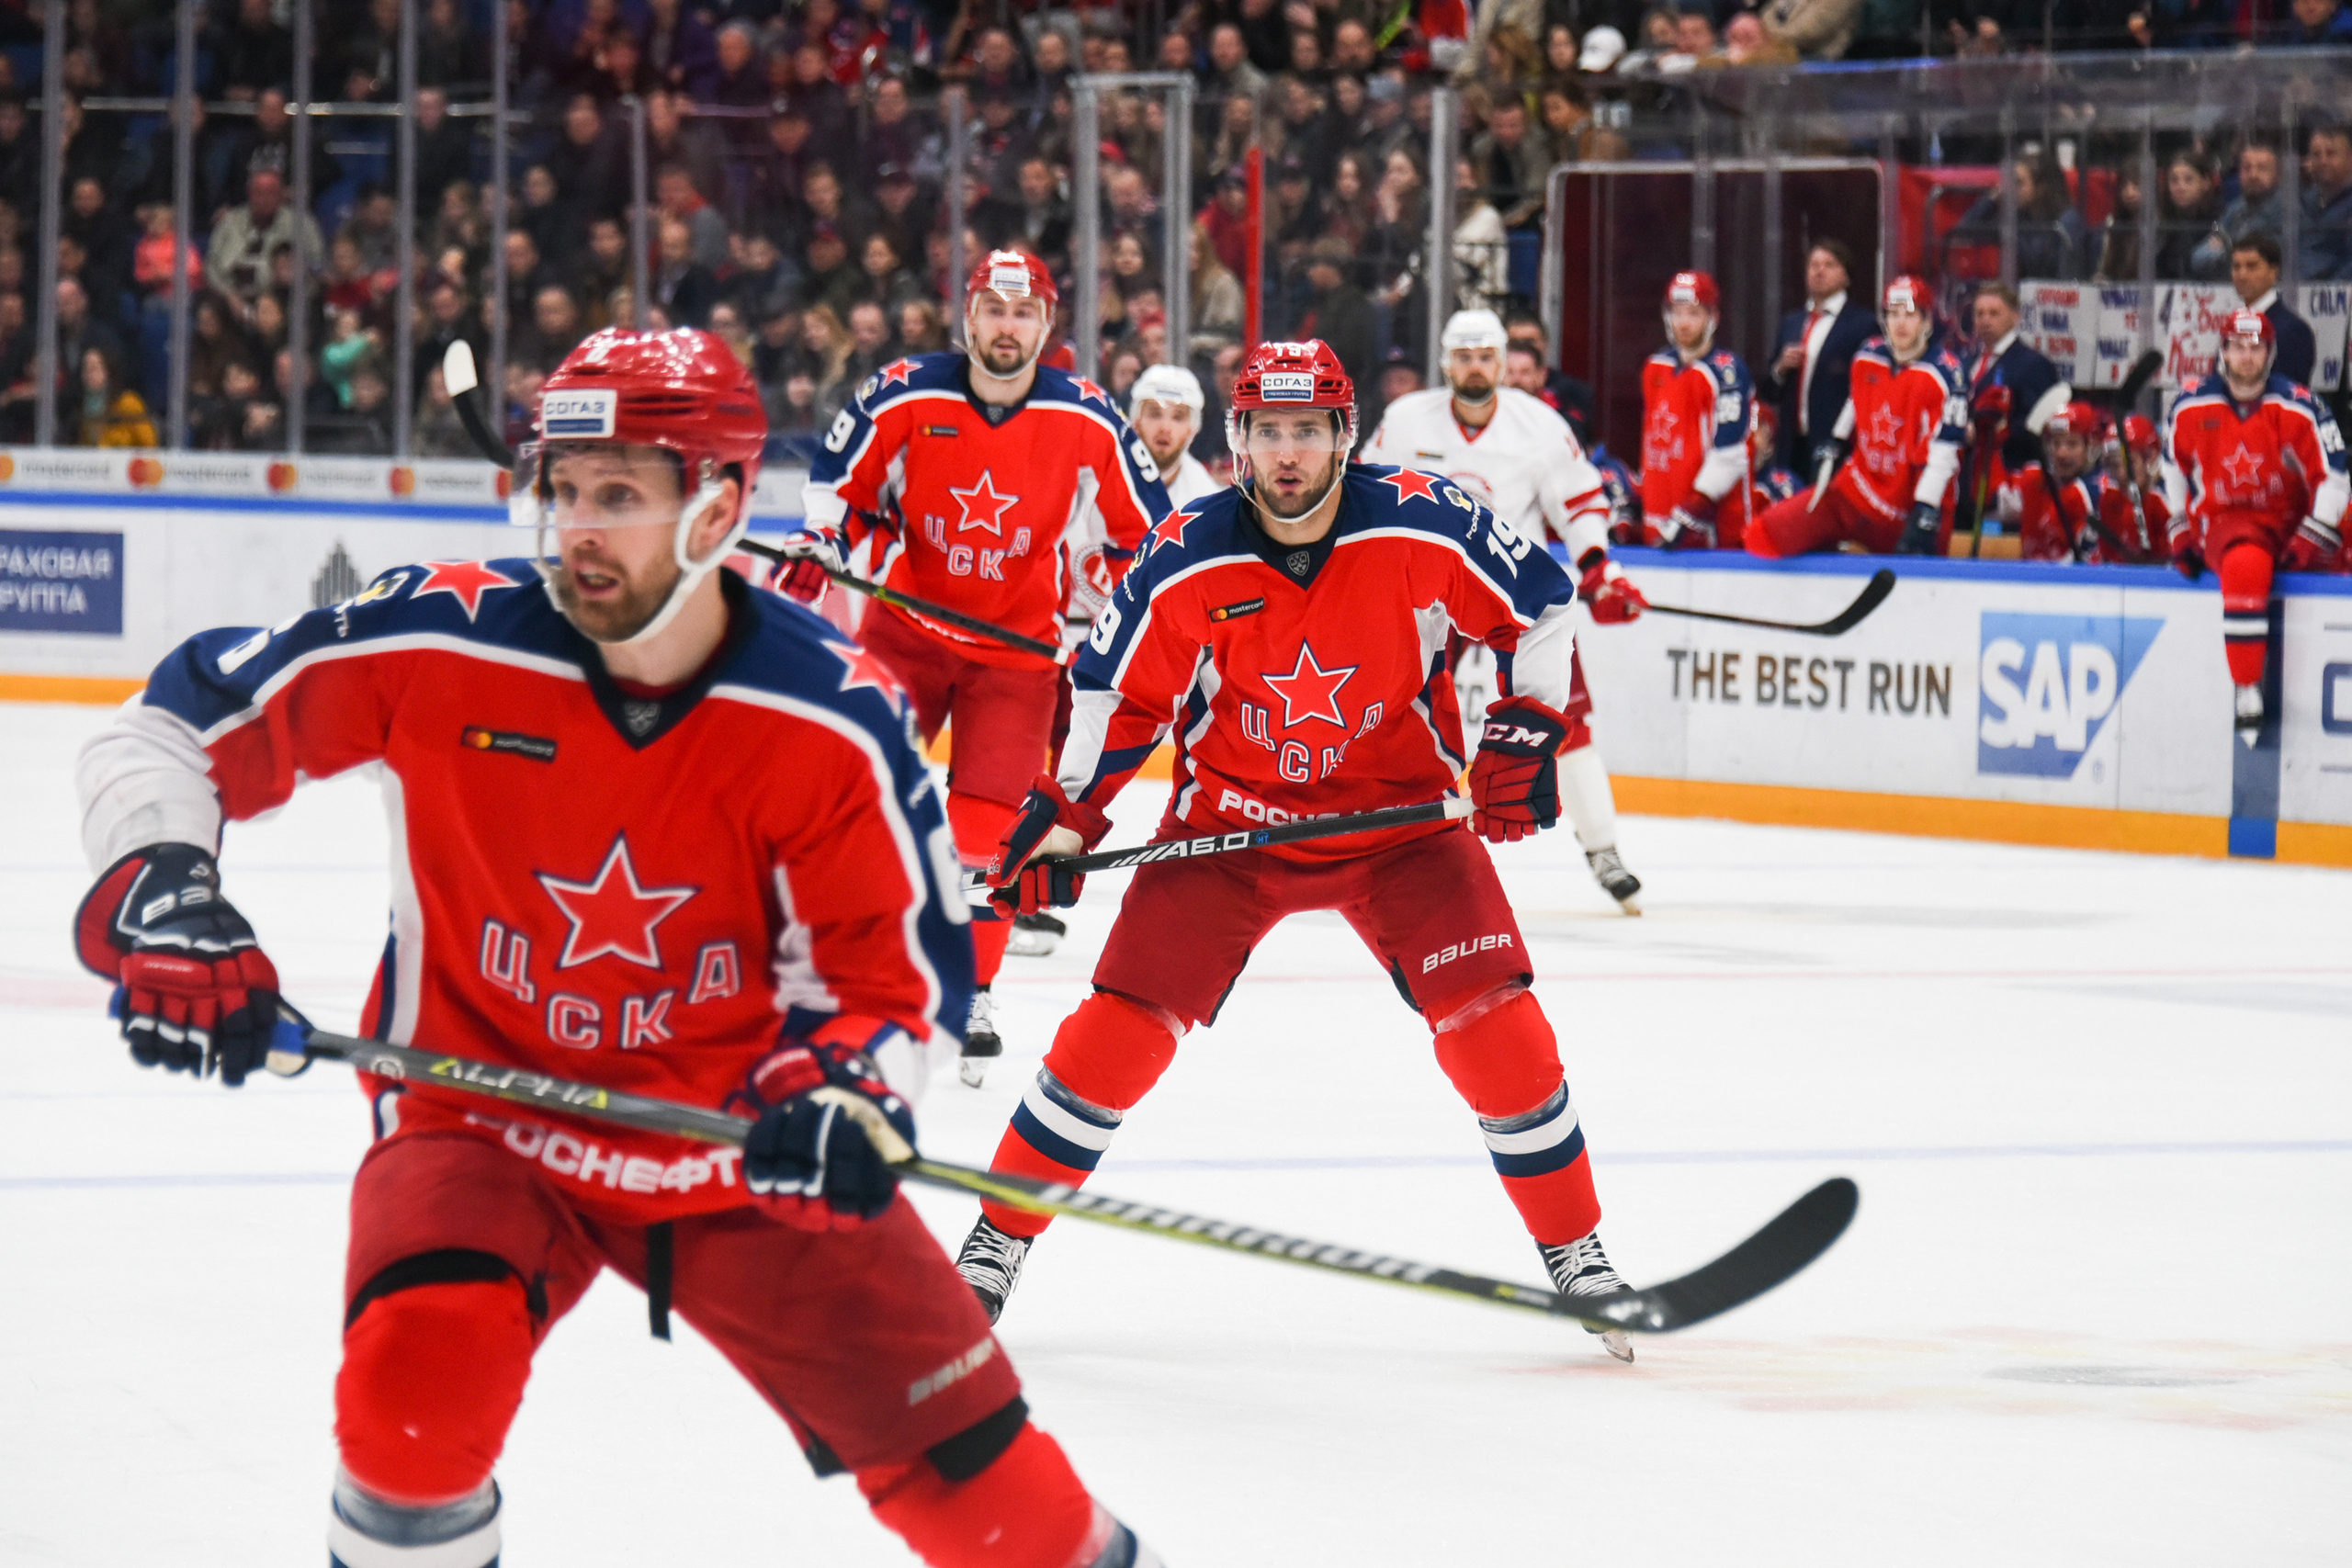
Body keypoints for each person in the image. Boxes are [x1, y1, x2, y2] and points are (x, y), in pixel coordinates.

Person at [70, 326, 1160, 1568]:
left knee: (1001, 1510)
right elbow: (169, 727)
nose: (580, 527)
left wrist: (849, 1090)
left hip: (744, 1146)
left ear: (722, 505)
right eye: (567, 490)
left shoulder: (835, 712)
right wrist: (164, 890)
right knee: (408, 1418)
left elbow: (900, 977)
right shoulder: (444, 635)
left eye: (621, 496)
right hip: (482, 1123)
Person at [956, 339, 1640, 1363]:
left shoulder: (1421, 518)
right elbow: (1115, 699)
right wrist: (1062, 827)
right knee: (1113, 1036)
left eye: (1306, 432)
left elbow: (1542, 603)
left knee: (1499, 1028)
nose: (1286, 455)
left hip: (1399, 823)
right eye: (1267, 432)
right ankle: (989, 1250)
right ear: (1239, 439)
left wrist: (1529, 723)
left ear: (1342, 437)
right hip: (1228, 829)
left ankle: (1578, 1256)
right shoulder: (1189, 549)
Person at [786, 252, 1170, 1081]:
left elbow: (1150, 537)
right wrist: (823, 542)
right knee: (855, 794)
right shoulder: (905, 390)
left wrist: (1126, 613)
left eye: (1023, 312)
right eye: (992, 310)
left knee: (990, 833)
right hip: (907, 631)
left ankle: (971, 988)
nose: (1006, 326)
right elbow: (838, 487)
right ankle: (835, 968)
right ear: (967, 317)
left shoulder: (1088, 417)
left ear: (1047, 324)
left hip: (1016, 656)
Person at [1361, 307, 1646, 911]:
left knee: (1565, 716)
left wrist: (1597, 563)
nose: (1474, 367)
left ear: (1500, 360)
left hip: (1508, 591)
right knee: (1387, 709)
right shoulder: (1407, 419)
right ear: (1446, 362)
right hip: (1429, 593)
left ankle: (1603, 849)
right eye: (1463, 357)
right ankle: (1379, 839)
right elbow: (1365, 494)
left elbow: (1580, 500)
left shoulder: (1540, 424)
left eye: (1485, 356)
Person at [2162, 308, 2348, 737]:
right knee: (2246, 558)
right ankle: (2247, 686)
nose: (2247, 356)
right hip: (2227, 523)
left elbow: (2335, 476)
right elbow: (2171, 467)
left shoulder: (2300, 405)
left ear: (2271, 352)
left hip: (2286, 521)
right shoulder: (2190, 403)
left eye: (2256, 347)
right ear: (2222, 351)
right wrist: (2180, 529)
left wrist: (2312, 535)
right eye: (2237, 347)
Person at [1748, 274, 1968, 558]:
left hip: (1913, 509)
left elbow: (1945, 450)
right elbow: (1858, 400)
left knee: (1912, 582)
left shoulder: (1946, 373)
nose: (1900, 323)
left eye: (1910, 315)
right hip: (1857, 492)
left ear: (1926, 322)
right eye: (1894, 313)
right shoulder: (1869, 355)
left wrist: (1926, 510)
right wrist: (1836, 442)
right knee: (1766, 535)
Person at [1638, 271, 1758, 549]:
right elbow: (1651, 441)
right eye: (1677, 313)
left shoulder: (1727, 373)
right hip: (1661, 521)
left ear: (1712, 318)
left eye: (1693, 314)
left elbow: (1731, 452)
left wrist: (1693, 508)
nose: (1683, 323)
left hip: (1713, 529)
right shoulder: (1656, 367)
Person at [1998, 401, 2167, 565]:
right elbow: (1989, 502)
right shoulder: (2034, 477)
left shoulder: (2094, 492)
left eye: (2072, 444)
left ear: (2092, 445)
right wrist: (1991, 440)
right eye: (2056, 443)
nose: (2061, 453)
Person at [1956, 282, 2064, 539]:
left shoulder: (2033, 365)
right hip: (1963, 482)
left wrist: (1991, 432)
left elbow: (2039, 424)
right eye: (1980, 313)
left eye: (1994, 313)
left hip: (2006, 482)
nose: (1985, 320)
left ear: (2015, 317)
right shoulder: (1965, 362)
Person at [1764, 240, 1878, 478]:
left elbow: (1868, 390)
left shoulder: (1862, 325)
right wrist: (1780, 369)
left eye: (1829, 265)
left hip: (1835, 445)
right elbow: (1769, 391)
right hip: (1792, 445)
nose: (1819, 271)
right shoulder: (1792, 323)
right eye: (1813, 265)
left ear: (1846, 276)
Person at [2230, 234, 2317, 388]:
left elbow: (2290, 394)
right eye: (2237, 267)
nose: (2242, 275)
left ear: (2273, 272)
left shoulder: (2292, 330)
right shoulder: (2232, 327)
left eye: (2252, 266)